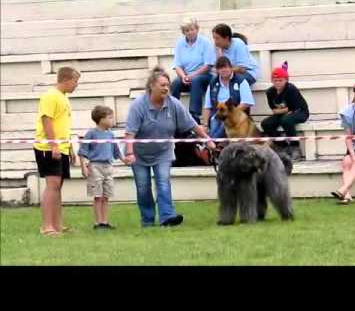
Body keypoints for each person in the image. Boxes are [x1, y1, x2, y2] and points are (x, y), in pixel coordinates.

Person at [124, 67, 215, 227]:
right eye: (162, 85)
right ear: (151, 86)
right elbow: (130, 133)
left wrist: (207, 140)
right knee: (143, 188)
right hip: (139, 154)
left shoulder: (174, 104)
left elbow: (192, 125)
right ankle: (148, 220)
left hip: (163, 152)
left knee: (163, 183)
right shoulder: (138, 105)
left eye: (168, 85)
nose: (166, 88)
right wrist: (130, 152)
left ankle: (167, 217)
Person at [33, 66, 81, 236]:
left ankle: (57, 225)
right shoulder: (50, 96)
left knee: (58, 187)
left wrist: (69, 149)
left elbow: (63, 126)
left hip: (62, 147)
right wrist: (53, 145)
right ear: (66, 80)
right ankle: (47, 227)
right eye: (75, 81)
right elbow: (47, 120)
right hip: (48, 147)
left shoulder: (63, 98)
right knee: (52, 186)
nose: (76, 85)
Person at [78, 106, 128, 230]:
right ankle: (98, 222)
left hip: (108, 167)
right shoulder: (91, 133)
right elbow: (82, 151)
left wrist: (124, 160)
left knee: (106, 196)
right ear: (100, 119)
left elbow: (116, 151)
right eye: (110, 117)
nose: (112, 120)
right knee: (98, 196)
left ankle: (105, 222)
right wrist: (84, 167)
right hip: (95, 167)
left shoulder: (111, 134)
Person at [170, 18, 216, 124]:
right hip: (187, 75)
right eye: (187, 30)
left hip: (205, 75)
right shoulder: (180, 44)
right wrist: (183, 77)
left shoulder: (205, 42)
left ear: (197, 29)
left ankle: (194, 115)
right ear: (183, 32)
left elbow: (208, 65)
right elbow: (177, 65)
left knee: (196, 80)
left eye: (192, 29)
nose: (190, 32)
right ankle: (172, 112)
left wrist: (192, 76)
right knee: (176, 83)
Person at [261, 62, 309, 161]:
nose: (277, 83)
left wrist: (282, 111)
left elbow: (294, 108)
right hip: (284, 112)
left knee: (286, 120)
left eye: (280, 80)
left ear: (286, 80)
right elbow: (274, 110)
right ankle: (281, 145)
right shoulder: (270, 92)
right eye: (275, 81)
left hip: (301, 111)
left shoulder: (291, 89)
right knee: (266, 123)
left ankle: (295, 147)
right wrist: (283, 111)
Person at [202, 56, 255, 139]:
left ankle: (210, 145)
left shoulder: (241, 81)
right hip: (218, 114)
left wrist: (231, 113)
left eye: (225, 67)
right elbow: (207, 106)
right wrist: (205, 125)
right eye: (220, 68)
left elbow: (246, 103)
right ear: (217, 70)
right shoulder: (212, 83)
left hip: (236, 116)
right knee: (214, 122)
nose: (223, 70)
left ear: (231, 68)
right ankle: (213, 146)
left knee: (225, 122)